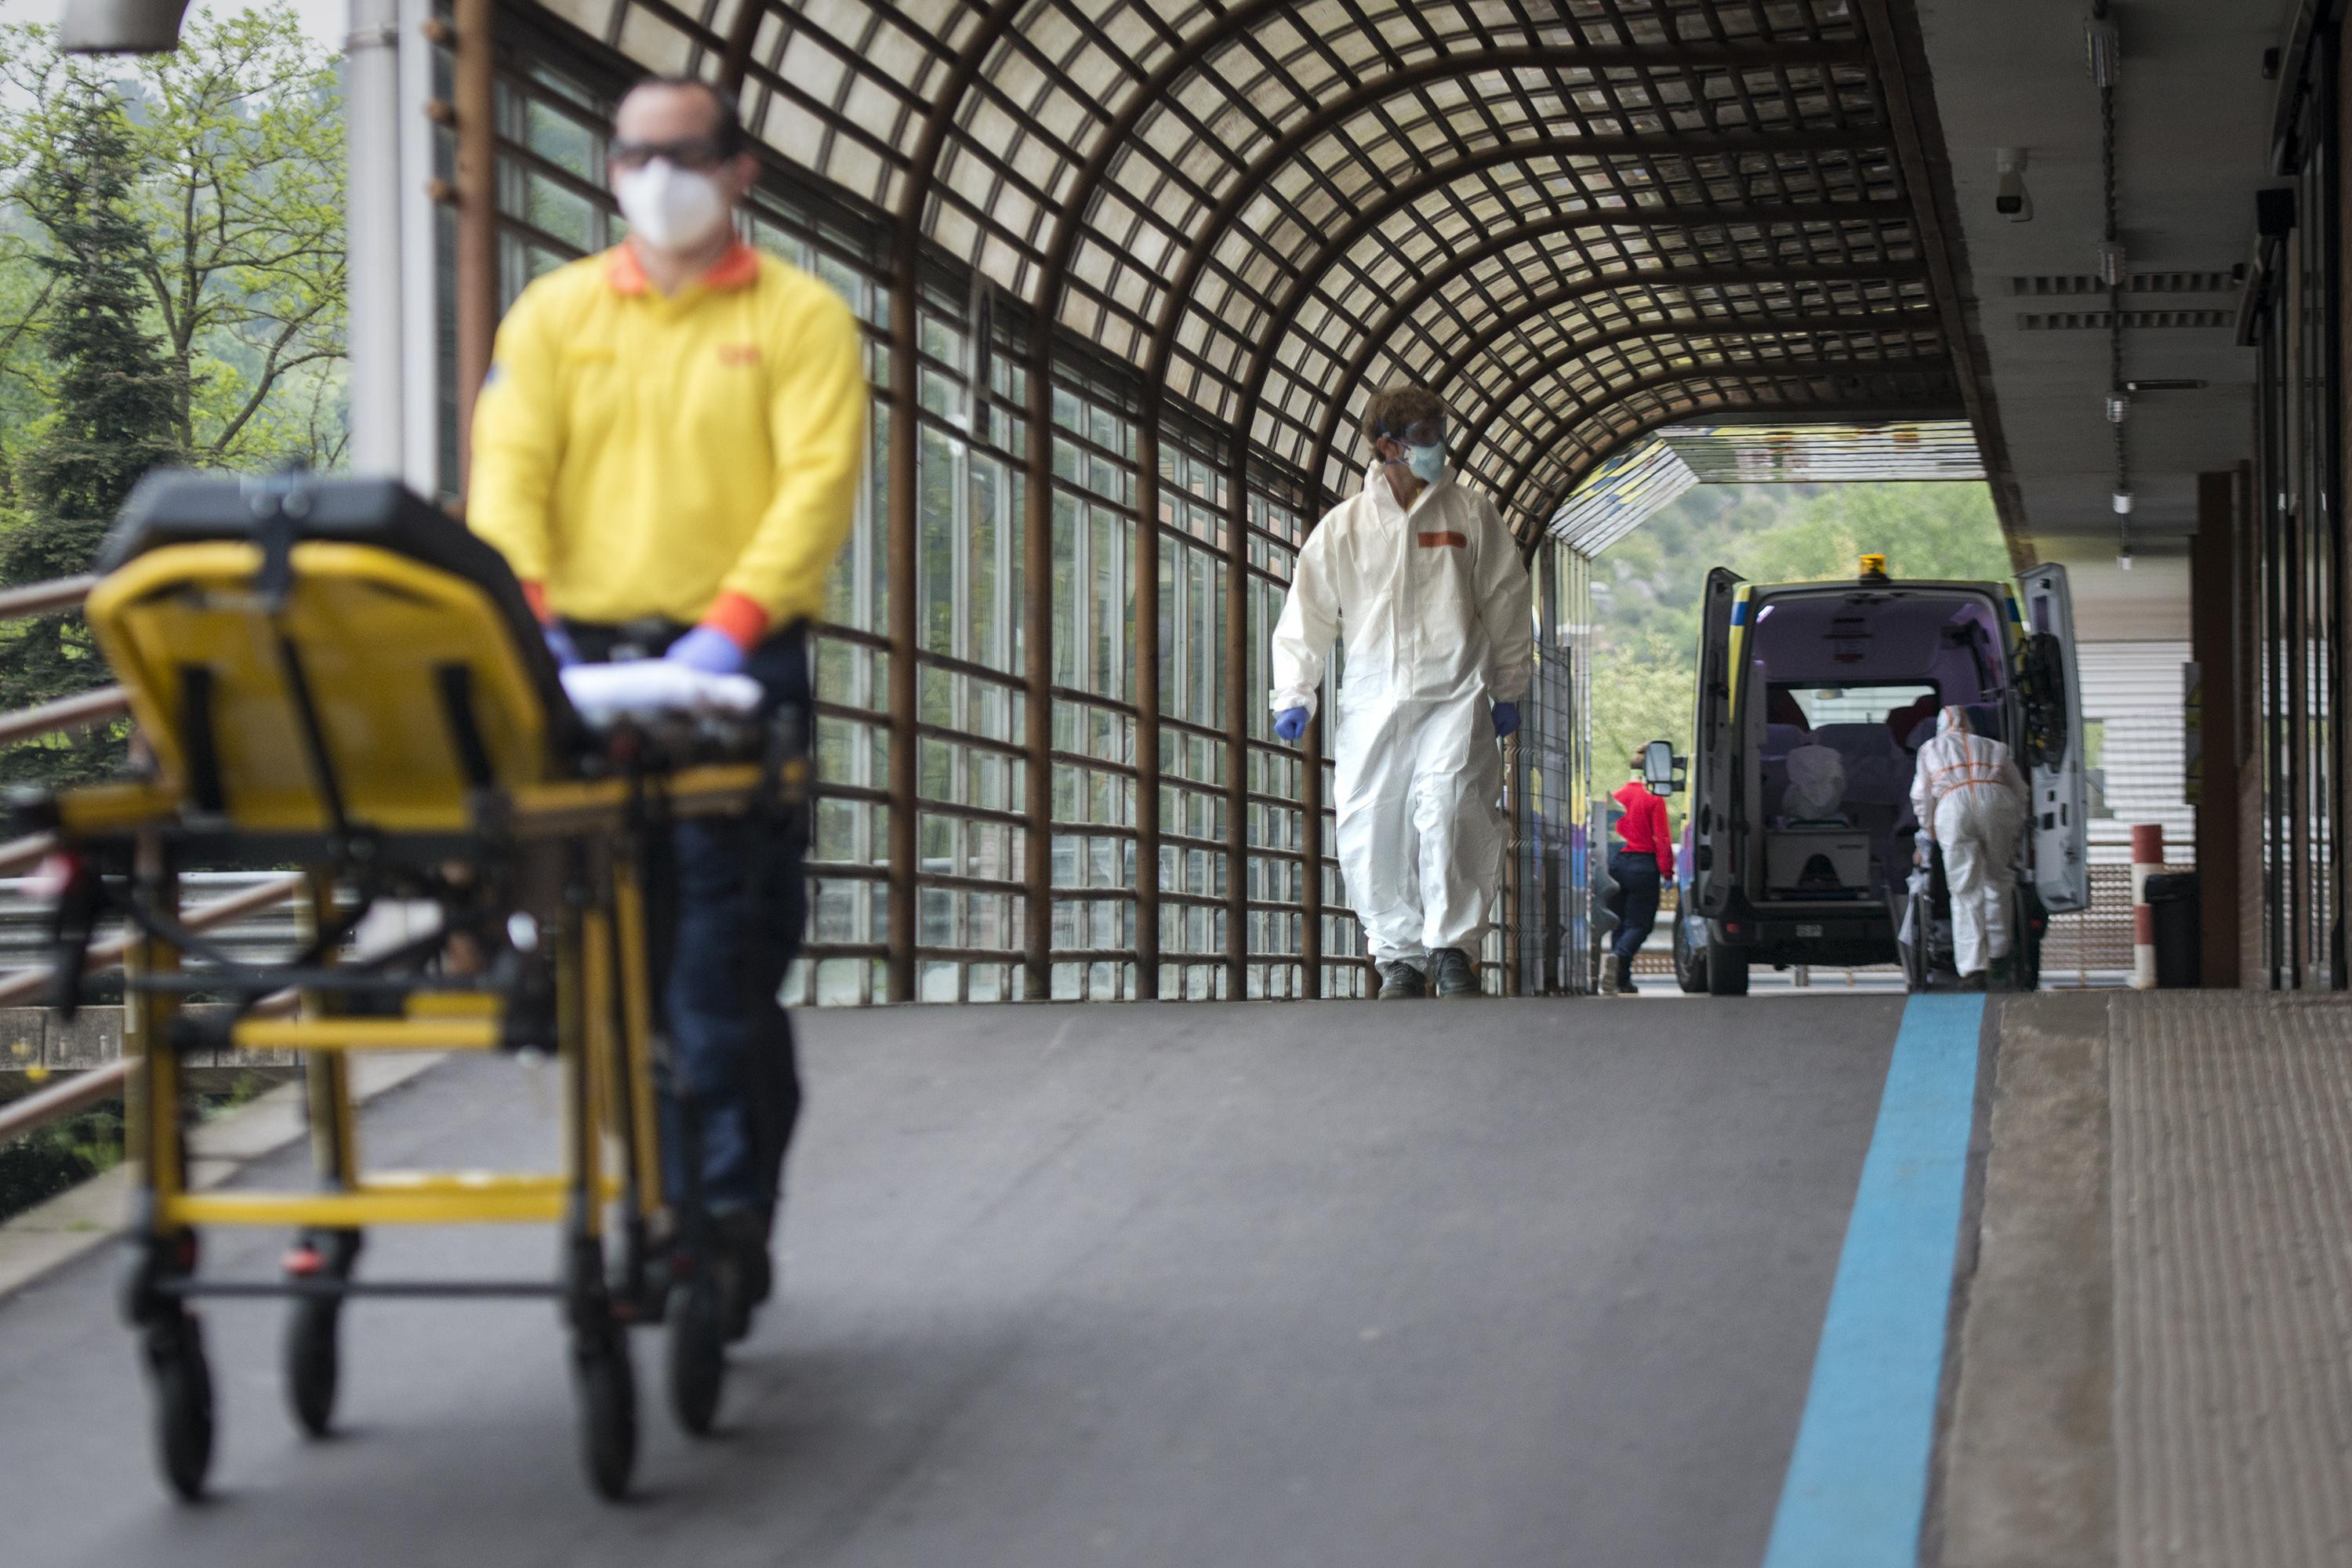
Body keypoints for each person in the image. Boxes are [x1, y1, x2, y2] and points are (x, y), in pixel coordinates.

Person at [468, 74, 866, 1334]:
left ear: (739, 169)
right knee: (603, 947)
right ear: (612, 168)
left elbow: (813, 488)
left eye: (685, 152)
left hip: (740, 662)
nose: (658, 175)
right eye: (634, 154)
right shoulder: (557, 315)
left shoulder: (802, 320)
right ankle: (656, 1199)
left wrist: (726, 633)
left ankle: (727, 1213)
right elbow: (509, 473)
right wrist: (529, 624)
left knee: (721, 955)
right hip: (581, 664)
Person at [1268, 384, 1533, 1000]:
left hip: (1455, 693)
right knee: (1372, 825)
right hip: (1373, 701)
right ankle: (1399, 958)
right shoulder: (1346, 529)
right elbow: (1307, 615)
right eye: (1422, 434)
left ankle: (1452, 951)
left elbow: (1506, 600)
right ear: (1386, 445)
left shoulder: (1470, 515)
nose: (1438, 443)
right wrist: (1293, 694)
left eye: (1439, 428)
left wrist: (1508, 684)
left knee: (1452, 809)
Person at [1908, 705, 2030, 989]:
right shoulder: (1995, 747)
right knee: (1999, 879)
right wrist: (2017, 825)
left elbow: (1920, 795)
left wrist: (1929, 832)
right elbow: (2020, 790)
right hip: (1998, 802)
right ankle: (2000, 955)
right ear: (1970, 726)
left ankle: (1974, 968)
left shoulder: (1931, 748)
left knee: (1965, 890)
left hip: (1953, 806)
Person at [1606, 756, 1675, 996]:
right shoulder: (1654, 799)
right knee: (1639, 924)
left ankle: (1620, 981)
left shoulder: (1614, 798)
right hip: (1643, 866)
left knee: (1619, 924)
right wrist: (1667, 871)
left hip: (1615, 865)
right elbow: (1663, 839)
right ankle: (1619, 955)